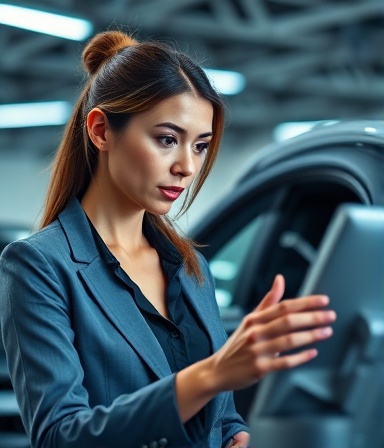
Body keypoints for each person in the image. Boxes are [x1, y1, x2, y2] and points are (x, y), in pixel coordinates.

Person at [0, 30, 336, 448]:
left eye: (200, 146)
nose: (187, 167)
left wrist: (235, 433)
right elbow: (59, 437)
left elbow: (222, 415)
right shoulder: (38, 265)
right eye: (167, 139)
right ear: (101, 131)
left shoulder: (192, 268)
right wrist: (210, 374)